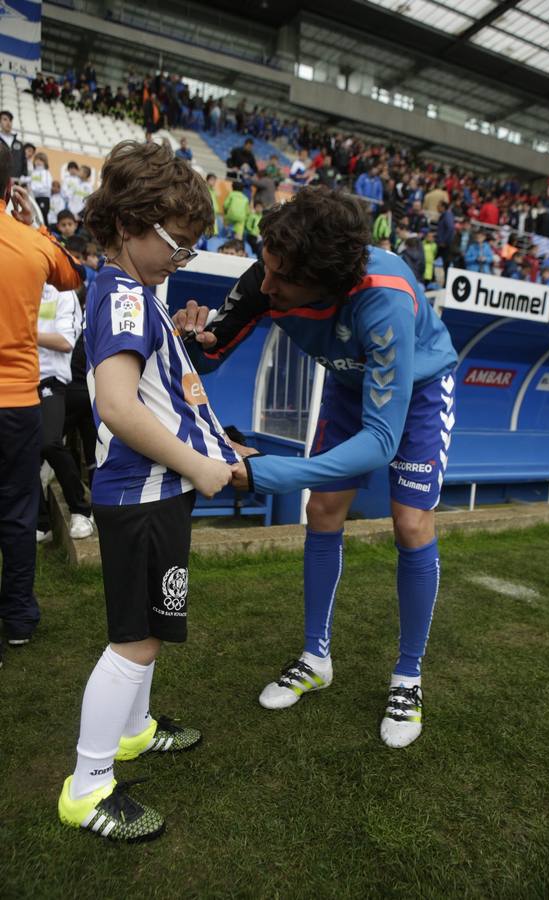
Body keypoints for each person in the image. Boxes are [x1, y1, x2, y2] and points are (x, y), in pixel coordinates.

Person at [178, 186, 458, 750]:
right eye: (268, 268)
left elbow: (381, 440)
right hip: (350, 386)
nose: (267, 284)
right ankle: (315, 657)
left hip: (420, 390)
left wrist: (267, 474)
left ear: (327, 280)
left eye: (282, 278)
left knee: (410, 523)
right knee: (324, 508)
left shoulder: (383, 297)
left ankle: (408, 675)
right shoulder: (271, 270)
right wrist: (191, 337)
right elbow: (209, 354)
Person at [57, 139, 235, 842]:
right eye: (177, 243)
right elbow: (121, 407)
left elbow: (162, 393)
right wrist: (197, 466)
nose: (182, 257)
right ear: (129, 225)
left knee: (149, 635)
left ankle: (131, 734)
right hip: (143, 495)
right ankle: (88, 785)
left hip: (152, 493)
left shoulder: (135, 292)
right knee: (134, 641)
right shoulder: (126, 297)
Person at [0, 143, 83, 651]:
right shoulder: (31, 242)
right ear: (11, 187)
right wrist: (36, 222)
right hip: (17, 402)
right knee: (16, 508)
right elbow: (73, 274)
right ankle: (18, 620)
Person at [36, 284, 94, 542]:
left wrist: (21, 331)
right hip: (24, 382)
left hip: (62, 386)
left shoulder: (63, 296)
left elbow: (65, 342)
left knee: (48, 444)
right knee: (21, 453)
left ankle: (82, 510)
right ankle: (41, 524)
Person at [29, 152, 52, 225]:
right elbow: (30, 181)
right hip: (34, 197)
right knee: (35, 217)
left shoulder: (46, 172)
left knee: (43, 217)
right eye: (37, 160)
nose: (38, 162)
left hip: (43, 198)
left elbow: (47, 186)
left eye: (41, 160)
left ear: (45, 162)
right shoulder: (33, 172)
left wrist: (34, 189)